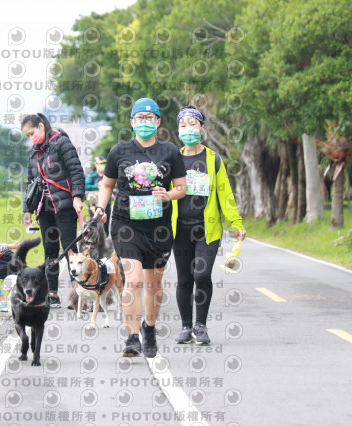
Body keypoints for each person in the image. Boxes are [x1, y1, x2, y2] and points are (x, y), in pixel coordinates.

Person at [93, 98, 187, 358]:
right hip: (126, 223)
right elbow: (108, 184)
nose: (144, 122)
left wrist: (168, 195)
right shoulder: (119, 151)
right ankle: (133, 336)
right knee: (132, 281)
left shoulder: (170, 152)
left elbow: (182, 188)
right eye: (139, 117)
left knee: (154, 284)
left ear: (158, 122)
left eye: (150, 118)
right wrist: (101, 208)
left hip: (159, 228)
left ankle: (150, 327)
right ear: (131, 121)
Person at [170, 106, 246, 345]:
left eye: (193, 124)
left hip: (207, 228)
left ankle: (200, 326)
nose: (188, 129)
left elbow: (225, 193)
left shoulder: (213, 159)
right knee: (184, 279)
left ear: (202, 129)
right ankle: (185, 327)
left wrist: (236, 222)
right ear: (178, 129)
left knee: (201, 275)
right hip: (179, 229)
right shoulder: (174, 158)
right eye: (183, 125)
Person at [21, 113, 85, 308]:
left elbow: (76, 170)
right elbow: (30, 182)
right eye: (28, 136)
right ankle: (52, 292)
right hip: (44, 208)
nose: (31, 137)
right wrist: (28, 210)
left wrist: (77, 196)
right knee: (50, 249)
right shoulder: (34, 153)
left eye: (32, 132)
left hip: (65, 205)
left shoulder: (62, 143)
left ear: (41, 127)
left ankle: (79, 294)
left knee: (69, 249)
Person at [85, 156, 112, 236]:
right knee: (94, 224)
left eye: (104, 163)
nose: (102, 165)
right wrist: (98, 187)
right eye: (100, 163)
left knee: (105, 224)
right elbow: (86, 186)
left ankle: (105, 243)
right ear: (96, 164)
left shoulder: (108, 175)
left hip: (107, 203)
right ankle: (95, 242)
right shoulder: (91, 176)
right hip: (94, 204)